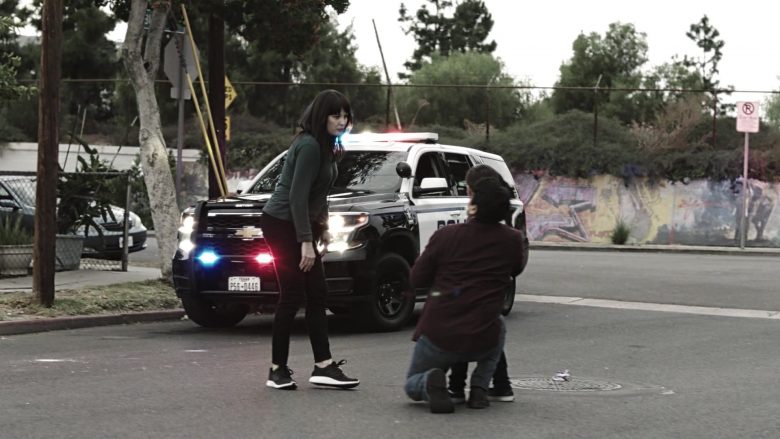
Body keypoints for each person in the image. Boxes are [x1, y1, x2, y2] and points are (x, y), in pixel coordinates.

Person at [260, 90, 359, 390]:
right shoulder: (309, 146)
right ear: (321, 116)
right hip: (282, 223)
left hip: (302, 225)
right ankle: (277, 370)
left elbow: (319, 196)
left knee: (318, 292)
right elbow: (296, 197)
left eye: (345, 116)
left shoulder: (327, 147)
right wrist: (305, 241)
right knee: (292, 294)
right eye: (335, 115)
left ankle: (323, 366)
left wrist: (323, 230)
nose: (341, 121)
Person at [403, 176, 526, 413]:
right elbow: (515, 269)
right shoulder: (512, 240)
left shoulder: (446, 235)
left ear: (474, 205)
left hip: (439, 333)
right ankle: (479, 387)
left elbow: (416, 278)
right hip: (483, 335)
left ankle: (429, 382)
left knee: (411, 383)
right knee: (498, 326)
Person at [448, 165, 517, 404]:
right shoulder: (508, 232)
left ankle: (456, 385)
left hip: (466, 293)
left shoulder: (465, 229)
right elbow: (514, 265)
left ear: (471, 191)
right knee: (492, 331)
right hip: (493, 293)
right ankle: (500, 384)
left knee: (460, 331)